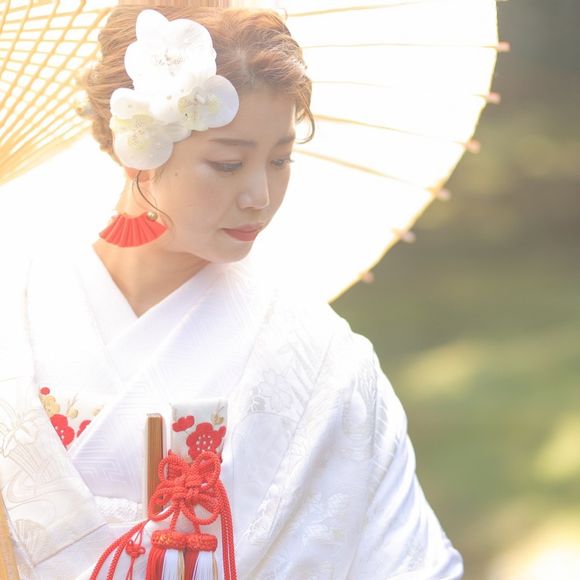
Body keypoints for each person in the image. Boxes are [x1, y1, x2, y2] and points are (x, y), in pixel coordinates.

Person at [0, 3, 463, 579]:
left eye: (280, 159)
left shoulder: (323, 360)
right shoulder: (14, 307)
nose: (259, 196)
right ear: (137, 149)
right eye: (227, 164)